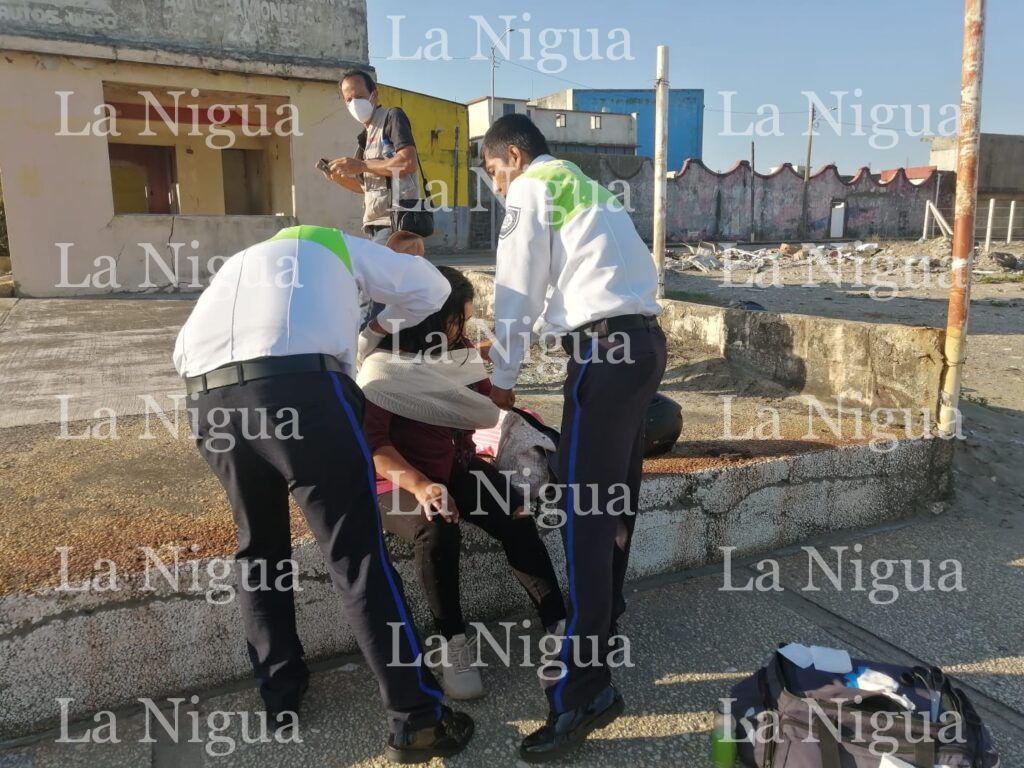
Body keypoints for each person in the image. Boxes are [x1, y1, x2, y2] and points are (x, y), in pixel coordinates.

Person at [172, 224, 474, 763]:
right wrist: (378, 321)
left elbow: (184, 350)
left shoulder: (241, 260)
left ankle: (281, 695)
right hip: (299, 390)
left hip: (208, 399)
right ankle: (417, 719)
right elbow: (432, 288)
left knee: (259, 550)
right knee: (355, 556)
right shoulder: (336, 245)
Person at [480, 114, 668, 762]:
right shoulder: (590, 189)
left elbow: (515, 294)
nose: (496, 186)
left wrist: (502, 381)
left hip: (604, 353)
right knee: (613, 503)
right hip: (645, 347)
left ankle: (586, 690)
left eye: (492, 172)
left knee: (584, 518)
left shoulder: (533, 186)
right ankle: (603, 626)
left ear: (511, 154)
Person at [357, 266, 567, 701]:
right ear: (430, 318)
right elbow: (373, 444)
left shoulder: (458, 353)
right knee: (436, 527)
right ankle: (453, 642)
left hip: (458, 465)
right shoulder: (381, 370)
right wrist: (420, 486)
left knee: (515, 515)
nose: (464, 329)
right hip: (394, 480)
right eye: (459, 319)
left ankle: (560, 624)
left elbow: (485, 401)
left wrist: (508, 368)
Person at [325, 69, 423, 245]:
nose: (354, 104)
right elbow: (368, 189)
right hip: (374, 226)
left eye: (359, 96)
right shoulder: (365, 137)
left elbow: (408, 162)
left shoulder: (392, 117)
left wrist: (362, 165)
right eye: (349, 100)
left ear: (374, 95)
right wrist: (339, 178)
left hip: (395, 222)